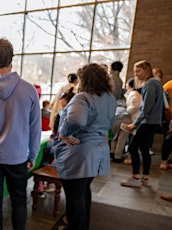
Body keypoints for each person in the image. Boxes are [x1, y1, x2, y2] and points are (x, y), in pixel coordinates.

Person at [0, 38, 41, 230]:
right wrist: (33, 154)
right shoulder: (29, 90)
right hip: (17, 155)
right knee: (19, 200)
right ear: (12, 58)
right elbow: (35, 128)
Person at [55, 63, 116, 230]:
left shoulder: (83, 97)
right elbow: (110, 123)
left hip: (81, 152)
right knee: (83, 192)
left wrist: (64, 132)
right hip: (98, 149)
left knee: (74, 197)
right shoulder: (109, 98)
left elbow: (76, 120)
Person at [121, 60, 164, 188]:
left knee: (133, 147)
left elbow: (146, 107)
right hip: (154, 121)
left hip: (147, 121)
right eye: (135, 71)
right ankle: (145, 177)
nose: (136, 74)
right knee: (145, 149)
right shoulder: (157, 82)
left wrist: (135, 123)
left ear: (146, 70)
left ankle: (135, 177)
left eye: (138, 71)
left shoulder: (150, 84)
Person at [121, 78, 142, 165]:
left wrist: (126, 110)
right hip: (134, 119)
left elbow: (134, 106)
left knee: (133, 141)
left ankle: (132, 157)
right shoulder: (134, 94)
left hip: (134, 119)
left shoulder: (134, 94)